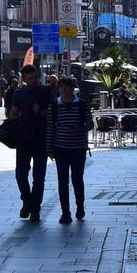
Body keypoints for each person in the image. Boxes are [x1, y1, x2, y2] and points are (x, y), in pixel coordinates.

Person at [7, 62, 53, 222]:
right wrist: (14, 115)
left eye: (35, 77)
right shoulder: (19, 93)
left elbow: (53, 112)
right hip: (24, 139)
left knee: (39, 177)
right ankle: (27, 201)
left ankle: (35, 209)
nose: (34, 80)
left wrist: (40, 111)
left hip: (41, 139)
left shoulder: (45, 91)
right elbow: (12, 113)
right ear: (24, 79)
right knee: (20, 174)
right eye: (30, 78)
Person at [47, 74, 92, 223]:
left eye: (67, 88)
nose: (64, 90)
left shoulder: (82, 105)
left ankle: (80, 207)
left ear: (73, 89)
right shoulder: (54, 106)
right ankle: (65, 212)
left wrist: (79, 127)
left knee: (77, 179)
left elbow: (90, 124)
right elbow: (49, 128)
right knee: (62, 181)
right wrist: (49, 149)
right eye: (61, 88)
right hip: (60, 148)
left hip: (78, 148)